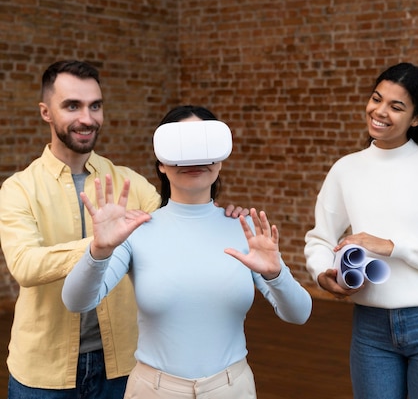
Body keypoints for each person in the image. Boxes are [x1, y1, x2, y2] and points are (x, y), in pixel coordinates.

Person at [0, 61, 247, 398]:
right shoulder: (18, 189)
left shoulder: (129, 182)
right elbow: (26, 266)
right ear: (46, 112)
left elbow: (177, 228)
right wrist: (99, 246)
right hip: (43, 370)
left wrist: (221, 217)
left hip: (121, 365)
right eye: (72, 105)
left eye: (95, 106)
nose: (87, 118)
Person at [62, 105, 313, 399]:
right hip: (153, 391)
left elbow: (300, 314)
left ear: (220, 159)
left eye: (203, 146)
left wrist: (275, 274)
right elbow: (75, 301)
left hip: (232, 388)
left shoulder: (245, 231)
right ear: (161, 163)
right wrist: (99, 250)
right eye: (181, 147)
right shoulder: (136, 231)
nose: (194, 158)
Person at [304, 63, 418, 399]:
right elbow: (320, 239)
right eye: (376, 99)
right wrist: (322, 272)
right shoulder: (346, 169)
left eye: (396, 106)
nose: (380, 111)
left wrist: (391, 246)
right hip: (370, 327)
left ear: (416, 118)